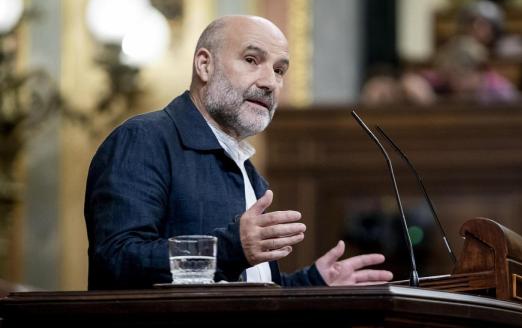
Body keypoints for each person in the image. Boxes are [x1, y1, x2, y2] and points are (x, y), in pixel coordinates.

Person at [84, 15, 394, 289]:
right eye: (251, 60)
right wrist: (231, 248)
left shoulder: (246, 169)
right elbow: (117, 259)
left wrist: (313, 281)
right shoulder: (144, 139)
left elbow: (247, 289)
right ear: (205, 65)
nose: (270, 82)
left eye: (279, 70)